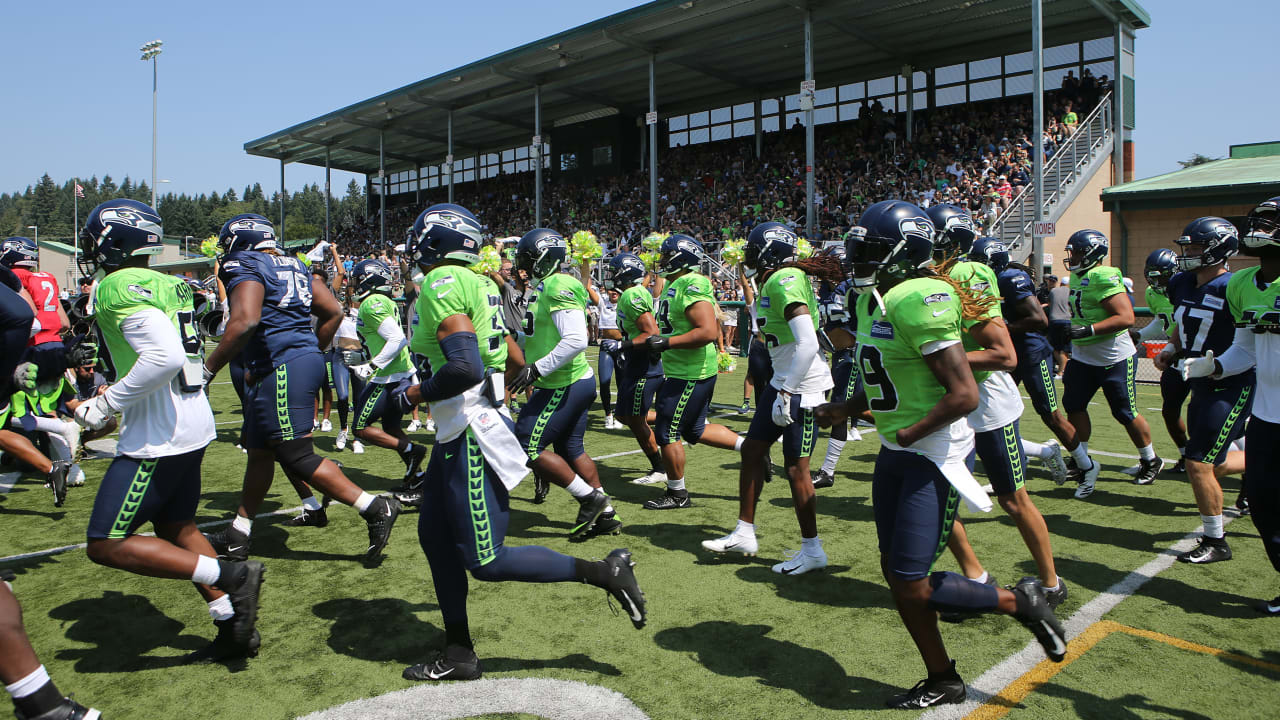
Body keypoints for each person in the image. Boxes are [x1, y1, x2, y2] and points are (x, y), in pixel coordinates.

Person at [815, 200, 1066, 709]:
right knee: (896, 574)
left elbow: (964, 395)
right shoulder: (874, 300)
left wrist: (911, 433)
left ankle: (1021, 601)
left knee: (909, 579)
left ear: (905, 253)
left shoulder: (918, 296)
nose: (859, 259)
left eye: (871, 250)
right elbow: (884, 371)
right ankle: (943, 677)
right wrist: (848, 405)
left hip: (933, 452)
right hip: (896, 448)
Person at [391, 204, 645, 681]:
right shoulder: (480, 281)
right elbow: (507, 349)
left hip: (467, 431)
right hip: (463, 426)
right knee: (435, 540)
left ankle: (603, 572)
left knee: (486, 560)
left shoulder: (444, 282)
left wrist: (412, 395)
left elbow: (463, 365)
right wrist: (503, 390)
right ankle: (459, 652)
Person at [73, 199, 263, 664]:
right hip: (192, 419)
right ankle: (232, 624)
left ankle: (230, 575)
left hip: (158, 433)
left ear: (112, 241)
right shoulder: (172, 285)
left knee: (104, 543)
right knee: (177, 526)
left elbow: (163, 357)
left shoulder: (117, 285)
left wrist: (105, 404)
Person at [202, 214, 402, 564]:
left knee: (297, 455)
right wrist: (308, 347)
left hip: (281, 365)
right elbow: (333, 311)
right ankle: (239, 533)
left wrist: (207, 370)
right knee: (261, 450)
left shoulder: (245, 261)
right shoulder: (294, 264)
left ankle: (374, 507)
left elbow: (245, 320)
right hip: (294, 360)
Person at [701, 222, 835, 574]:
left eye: (753, 249)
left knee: (796, 469)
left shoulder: (783, 279)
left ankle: (813, 550)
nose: (747, 256)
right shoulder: (779, 278)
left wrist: (788, 389)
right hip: (783, 380)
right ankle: (745, 531)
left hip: (801, 387)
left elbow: (807, 342)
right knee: (752, 450)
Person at [1182, 197, 1280, 612]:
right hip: (1266, 416)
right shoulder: (1242, 284)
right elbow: (1246, 350)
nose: (1260, 226)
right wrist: (1212, 366)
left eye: (1271, 222)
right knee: (1261, 504)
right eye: (1259, 220)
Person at [1153, 218, 1251, 565]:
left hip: (1230, 382)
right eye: (1187, 246)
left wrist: (1219, 366)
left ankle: (1216, 540)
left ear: (1218, 249)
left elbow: (1249, 341)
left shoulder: (1236, 285)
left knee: (1198, 463)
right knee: (1213, 462)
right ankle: (1264, 459)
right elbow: (1184, 322)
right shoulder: (1180, 282)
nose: (1188, 253)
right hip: (1198, 378)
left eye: (1195, 247)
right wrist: (1170, 348)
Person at [509, 228, 617, 538]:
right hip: (565, 382)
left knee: (526, 444)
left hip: (563, 383)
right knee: (571, 449)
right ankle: (606, 514)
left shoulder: (559, 284)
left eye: (528, 258)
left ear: (543, 258)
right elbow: (537, 335)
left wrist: (536, 370)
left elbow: (576, 340)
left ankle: (590, 498)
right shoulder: (545, 286)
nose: (522, 264)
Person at [643, 234, 747, 510]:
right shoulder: (676, 283)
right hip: (681, 367)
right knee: (695, 430)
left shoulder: (692, 282)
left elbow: (707, 331)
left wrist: (666, 342)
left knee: (667, 431)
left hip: (690, 371)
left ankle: (678, 494)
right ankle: (750, 449)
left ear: (681, 257)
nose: (662, 260)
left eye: (667, 255)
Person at [1061, 229, 1161, 497]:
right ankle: (1081, 459)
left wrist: (1089, 330)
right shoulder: (1077, 276)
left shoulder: (1103, 275)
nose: (1075, 257)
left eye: (1080, 252)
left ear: (1094, 253)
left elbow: (1126, 317)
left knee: (1124, 411)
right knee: (1074, 405)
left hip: (1112, 356)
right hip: (1083, 356)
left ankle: (1150, 459)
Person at [348, 259, 426, 484]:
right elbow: (384, 339)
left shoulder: (371, 302)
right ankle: (417, 475)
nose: (354, 283)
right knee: (391, 426)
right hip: (397, 371)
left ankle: (412, 450)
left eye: (358, 278)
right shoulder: (380, 300)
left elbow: (397, 339)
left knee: (360, 428)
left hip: (387, 377)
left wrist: (372, 365)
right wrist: (365, 356)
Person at [601, 253, 667, 485]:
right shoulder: (631, 293)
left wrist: (622, 344)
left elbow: (652, 333)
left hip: (643, 366)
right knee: (623, 415)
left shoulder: (632, 294)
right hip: (635, 363)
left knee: (636, 419)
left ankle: (660, 468)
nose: (611, 277)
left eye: (614, 271)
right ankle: (670, 418)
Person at [812, 244, 862, 490]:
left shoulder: (851, 289)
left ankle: (828, 471)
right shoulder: (826, 289)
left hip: (853, 354)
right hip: (839, 354)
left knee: (841, 407)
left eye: (826, 263)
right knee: (856, 407)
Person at [1140, 249, 1188, 473]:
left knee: (1202, 412)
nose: (1158, 282)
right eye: (1154, 277)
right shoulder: (1153, 293)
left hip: (1200, 355)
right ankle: (1186, 456)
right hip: (1175, 356)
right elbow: (1162, 322)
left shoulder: (1189, 287)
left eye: (1163, 276)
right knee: (1170, 410)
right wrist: (1138, 336)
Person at [1, 237, 71, 385]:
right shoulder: (46, 278)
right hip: (57, 345)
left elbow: (29, 312)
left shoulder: (14, 277)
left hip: (32, 347)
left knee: (23, 401)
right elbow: (65, 323)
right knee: (53, 403)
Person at [584, 261, 623, 430]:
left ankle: (620, 414)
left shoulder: (625, 301)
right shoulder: (602, 301)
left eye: (616, 290)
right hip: (606, 346)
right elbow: (587, 285)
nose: (613, 292)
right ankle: (608, 415)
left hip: (622, 346)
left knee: (622, 383)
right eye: (611, 289)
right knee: (605, 381)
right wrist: (585, 261)